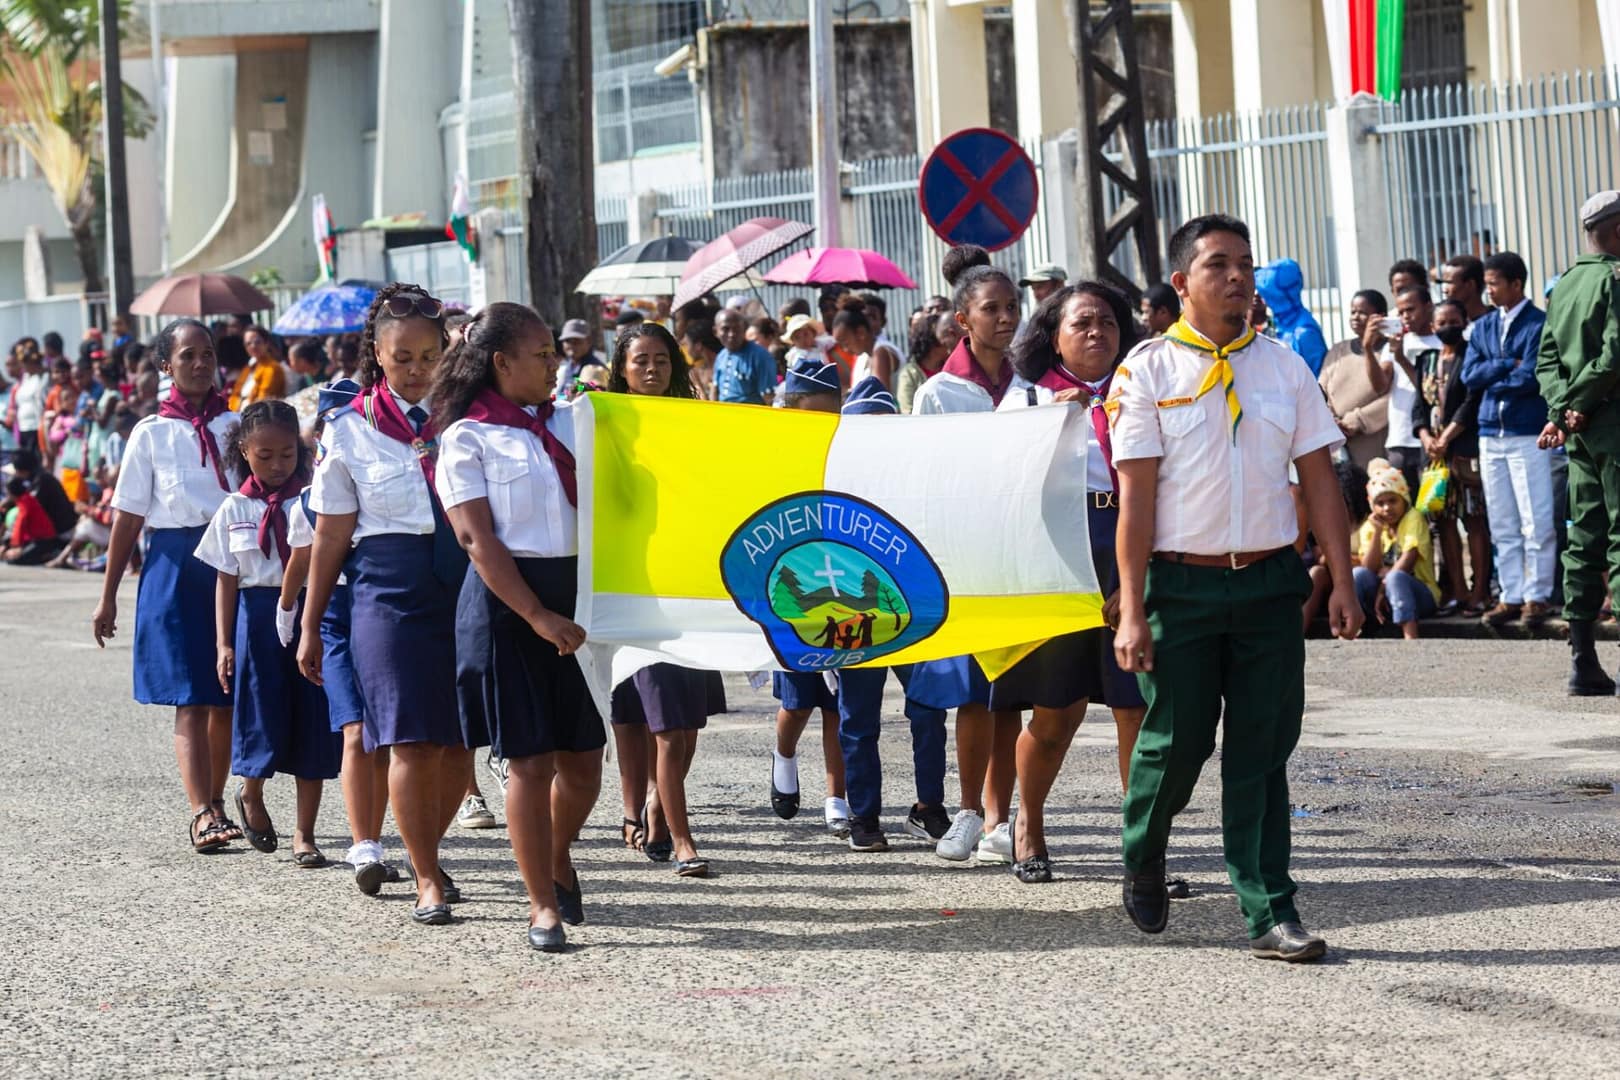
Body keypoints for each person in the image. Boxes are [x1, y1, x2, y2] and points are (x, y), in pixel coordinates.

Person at [1109, 213, 1360, 962]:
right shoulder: (1146, 371)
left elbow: (1320, 480)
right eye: (1218, 265)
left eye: (1244, 264)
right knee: (1176, 743)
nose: (1237, 277)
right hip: (1179, 586)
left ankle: (1269, 910)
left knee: (1261, 750)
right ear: (1183, 282)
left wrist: (1341, 582)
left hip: (1268, 585)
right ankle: (1144, 848)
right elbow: (1136, 501)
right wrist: (1130, 607)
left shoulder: (1284, 368)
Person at [298, 284, 472, 926]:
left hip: (461, 583)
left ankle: (429, 843)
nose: (418, 370)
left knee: (458, 744)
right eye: (403, 358)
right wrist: (312, 623)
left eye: (430, 356)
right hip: (386, 592)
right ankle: (426, 876)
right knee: (408, 742)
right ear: (377, 353)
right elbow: (331, 535)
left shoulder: (469, 418)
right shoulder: (349, 430)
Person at [433, 302, 604, 951]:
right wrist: (537, 616)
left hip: (577, 598)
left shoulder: (574, 421)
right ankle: (541, 907)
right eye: (540, 353)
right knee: (530, 763)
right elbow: (476, 538)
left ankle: (555, 853)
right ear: (502, 362)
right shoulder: (467, 437)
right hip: (510, 605)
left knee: (585, 765)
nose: (553, 361)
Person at [995, 281, 1154, 884]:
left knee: (1135, 709)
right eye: (1082, 323)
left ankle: (1143, 849)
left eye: (1108, 322)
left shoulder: (1142, 392)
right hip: (1059, 555)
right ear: (1053, 336)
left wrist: (1136, 577)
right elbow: (1004, 493)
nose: (1097, 333)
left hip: (1131, 543)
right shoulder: (1026, 399)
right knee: (1056, 713)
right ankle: (1027, 825)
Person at [91, 319, 241, 853]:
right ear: (165, 367)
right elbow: (128, 519)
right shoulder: (150, 434)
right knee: (190, 698)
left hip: (231, 564)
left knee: (226, 694)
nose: (201, 364)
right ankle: (200, 810)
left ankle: (220, 803)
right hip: (175, 565)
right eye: (187, 356)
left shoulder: (237, 426)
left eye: (207, 354)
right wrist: (108, 594)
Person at [909, 256, 1024, 863]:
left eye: (1012, 307)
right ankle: (971, 810)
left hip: (1024, 560)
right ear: (962, 321)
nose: (1005, 318)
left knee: (1015, 693)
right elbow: (922, 482)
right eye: (991, 308)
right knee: (972, 696)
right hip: (964, 563)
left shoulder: (1033, 387)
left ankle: (1008, 817)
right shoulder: (938, 394)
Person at [197, 400, 339, 865]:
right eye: (265, 456)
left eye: (287, 455)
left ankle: (305, 834)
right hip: (256, 618)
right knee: (259, 713)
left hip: (308, 610)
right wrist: (223, 643)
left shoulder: (315, 500)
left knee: (312, 716)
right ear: (244, 449)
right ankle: (251, 792)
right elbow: (226, 578)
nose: (278, 466)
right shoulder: (234, 507)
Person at [603, 322, 721, 878]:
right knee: (646, 715)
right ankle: (679, 836)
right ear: (621, 370)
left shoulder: (698, 425)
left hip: (686, 585)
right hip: (631, 583)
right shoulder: (602, 425)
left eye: (661, 360)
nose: (651, 369)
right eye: (639, 361)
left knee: (684, 723)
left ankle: (653, 801)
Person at [281, 383, 403, 893]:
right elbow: (302, 562)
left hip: (382, 605)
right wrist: (292, 616)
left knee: (385, 739)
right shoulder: (306, 503)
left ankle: (380, 837)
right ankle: (364, 846)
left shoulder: (387, 483)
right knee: (354, 730)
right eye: (328, 429)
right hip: (334, 614)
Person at [828, 376, 952, 852]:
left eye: (884, 427)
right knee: (858, 720)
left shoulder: (915, 482)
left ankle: (929, 807)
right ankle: (864, 816)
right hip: (853, 620)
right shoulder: (833, 484)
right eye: (865, 428)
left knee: (928, 710)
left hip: (912, 615)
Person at [1536, 191, 1620, 694]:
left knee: (1585, 537)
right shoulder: (1614, 280)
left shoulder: (1565, 284)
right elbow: (1614, 356)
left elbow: (1546, 361)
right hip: (1611, 423)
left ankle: (1582, 660)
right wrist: (1580, 402)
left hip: (1581, 431)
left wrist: (1563, 410)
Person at [767, 357, 853, 837]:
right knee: (799, 699)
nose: (822, 423)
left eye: (831, 413)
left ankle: (835, 794)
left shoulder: (847, 453)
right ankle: (783, 752)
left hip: (842, 584)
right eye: (811, 413)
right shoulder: (776, 454)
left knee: (837, 703)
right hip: (794, 586)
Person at [1462, 251, 1555, 628]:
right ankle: (1511, 594)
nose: (1489, 291)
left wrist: (1494, 372)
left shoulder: (1538, 324)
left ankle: (1538, 594)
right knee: (1502, 518)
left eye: (1494, 283)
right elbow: (1470, 375)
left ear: (1517, 283)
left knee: (1536, 517)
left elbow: (1532, 376)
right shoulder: (1483, 327)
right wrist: (1504, 364)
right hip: (1490, 433)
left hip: (1526, 432)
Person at [1411, 299, 1490, 615]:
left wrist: (1446, 437)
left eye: (1453, 321)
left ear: (1464, 321)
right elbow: (1418, 407)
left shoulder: (1472, 354)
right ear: (1432, 326)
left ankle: (1479, 592)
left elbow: (1471, 402)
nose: (1447, 327)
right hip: (1433, 458)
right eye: (1441, 322)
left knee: (1474, 521)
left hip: (1464, 452)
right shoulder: (1426, 360)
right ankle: (1456, 591)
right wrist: (1428, 437)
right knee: (1442, 523)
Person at [1320, 289, 1391, 518]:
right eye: (1353, 312)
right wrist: (1331, 421)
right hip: (1337, 439)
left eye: (1362, 312)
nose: (1355, 317)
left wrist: (1357, 421)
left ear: (1379, 316)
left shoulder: (1390, 351)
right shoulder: (1338, 350)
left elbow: (1392, 398)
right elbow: (1321, 389)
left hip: (1373, 438)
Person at [1350, 460, 1441, 638]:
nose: (1386, 508)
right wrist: (1377, 533)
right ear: (1373, 506)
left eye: (1393, 501)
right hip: (1383, 597)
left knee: (1396, 577)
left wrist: (1383, 587)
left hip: (1421, 596)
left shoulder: (1413, 517)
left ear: (1404, 498)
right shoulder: (1372, 524)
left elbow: (1409, 558)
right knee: (1358, 574)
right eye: (1380, 503)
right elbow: (1368, 567)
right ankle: (1352, 632)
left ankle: (1410, 637)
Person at [1368, 286, 1441, 500]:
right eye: (1400, 312)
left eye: (1410, 309)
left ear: (1428, 306)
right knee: (1401, 510)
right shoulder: (1396, 344)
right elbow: (1380, 386)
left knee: (1434, 513)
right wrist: (1367, 348)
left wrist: (1401, 358)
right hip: (1399, 441)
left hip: (1430, 441)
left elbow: (1430, 391)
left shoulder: (1442, 342)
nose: (1405, 317)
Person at [1254, 258, 1328, 376]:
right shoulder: (1277, 324)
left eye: (1266, 293)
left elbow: (1315, 381)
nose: (1260, 296)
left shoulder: (1304, 333)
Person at [834, 295, 903, 391]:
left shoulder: (881, 352)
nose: (845, 350)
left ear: (860, 333)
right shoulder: (864, 356)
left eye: (846, 343)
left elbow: (879, 398)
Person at [714, 308, 777, 405]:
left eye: (736, 329)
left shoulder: (760, 356)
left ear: (744, 329)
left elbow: (769, 398)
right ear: (716, 332)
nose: (731, 334)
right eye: (725, 329)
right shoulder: (721, 356)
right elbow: (715, 391)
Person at [1, 474, 66, 564]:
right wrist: (6, 545)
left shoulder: (25, 503)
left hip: (44, 540)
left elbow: (20, 524)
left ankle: (49, 555)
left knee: (14, 560)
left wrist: (15, 546)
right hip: (35, 539)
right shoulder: (25, 499)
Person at [229, 326, 289, 411]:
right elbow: (235, 394)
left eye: (257, 342)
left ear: (266, 343)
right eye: (248, 343)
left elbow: (263, 400)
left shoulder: (272, 368)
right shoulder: (248, 368)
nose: (253, 346)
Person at [1442, 254, 1490, 329]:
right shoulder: (1443, 324)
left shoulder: (1496, 322)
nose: (1444, 290)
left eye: (1450, 282)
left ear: (1470, 285)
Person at [556, 319, 599, 402]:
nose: (572, 345)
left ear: (589, 341)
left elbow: (584, 395)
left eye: (577, 341)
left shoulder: (594, 368)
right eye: (568, 341)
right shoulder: (566, 366)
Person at [683, 322, 720, 401]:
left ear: (698, 345)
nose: (686, 350)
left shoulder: (724, 366)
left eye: (687, 344)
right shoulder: (695, 373)